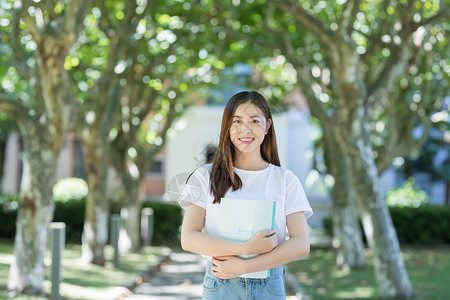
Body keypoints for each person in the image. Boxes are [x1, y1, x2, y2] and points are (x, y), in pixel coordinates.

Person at [178, 90, 313, 299]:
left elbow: (301, 243)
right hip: (221, 283)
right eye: (237, 121)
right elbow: (188, 238)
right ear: (227, 127)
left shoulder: (286, 180)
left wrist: (244, 266)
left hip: (269, 285)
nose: (245, 130)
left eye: (255, 121)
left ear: (268, 126)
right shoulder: (205, 176)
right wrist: (246, 247)